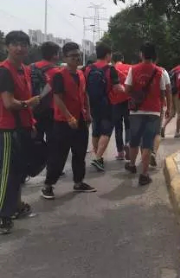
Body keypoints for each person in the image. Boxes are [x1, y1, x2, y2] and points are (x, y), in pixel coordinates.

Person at [41, 42, 96, 200]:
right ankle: (48, 186)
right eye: (73, 56)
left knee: (79, 153)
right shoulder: (59, 75)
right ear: (64, 58)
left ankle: (78, 182)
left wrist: (88, 113)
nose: (77, 58)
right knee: (59, 155)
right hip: (63, 122)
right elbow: (57, 98)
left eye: (78, 55)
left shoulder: (81, 74)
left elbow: (84, 94)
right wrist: (68, 117)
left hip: (80, 120)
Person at [0, 31, 40, 234]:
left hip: (22, 127)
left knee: (17, 172)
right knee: (6, 174)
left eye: (23, 44)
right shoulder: (4, 71)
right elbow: (8, 103)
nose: (19, 48)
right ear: (7, 46)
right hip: (7, 129)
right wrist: (28, 103)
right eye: (15, 44)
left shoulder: (24, 69)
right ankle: (2, 217)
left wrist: (31, 122)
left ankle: (15, 206)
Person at [124, 43, 171, 185]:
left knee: (134, 140)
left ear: (141, 54)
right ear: (154, 55)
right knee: (147, 143)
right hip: (154, 112)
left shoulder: (133, 69)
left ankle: (132, 165)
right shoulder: (160, 71)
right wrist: (167, 108)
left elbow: (127, 89)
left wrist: (136, 94)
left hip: (136, 111)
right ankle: (144, 175)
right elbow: (163, 92)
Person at [85, 44, 122, 171]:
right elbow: (117, 88)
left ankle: (98, 158)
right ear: (107, 55)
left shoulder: (88, 68)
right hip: (106, 103)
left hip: (91, 104)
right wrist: (124, 89)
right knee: (106, 131)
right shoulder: (110, 69)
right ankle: (97, 158)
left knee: (96, 131)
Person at [31, 41, 60, 143]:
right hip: (50, 109)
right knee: (52, 140)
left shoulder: (31, 67)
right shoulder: (57, 71)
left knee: (36, 139)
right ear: (54, 55)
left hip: (33, 107)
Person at [109, 52, 131, 160]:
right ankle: (128, 143)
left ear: (112, 60)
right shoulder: (130, 68)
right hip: (129, 100)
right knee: (128, 125)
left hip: (116, 102)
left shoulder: (111, 69)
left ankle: (120, 152)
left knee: (118, 128)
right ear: (122, 58)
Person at [161, 56, 180, 138]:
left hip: (172, 93)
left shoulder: (173, 70)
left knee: (171, 113)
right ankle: (177, 132)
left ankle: (163, 126)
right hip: (179, 95)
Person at [151, 66, 171, 168]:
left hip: (141, 107)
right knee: (157, 132)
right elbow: (167, 90)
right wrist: (168, 108)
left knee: (144, 132)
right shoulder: (163, 71)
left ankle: (144, 156)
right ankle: (153, 153)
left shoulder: (136, 69)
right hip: (157, 106)